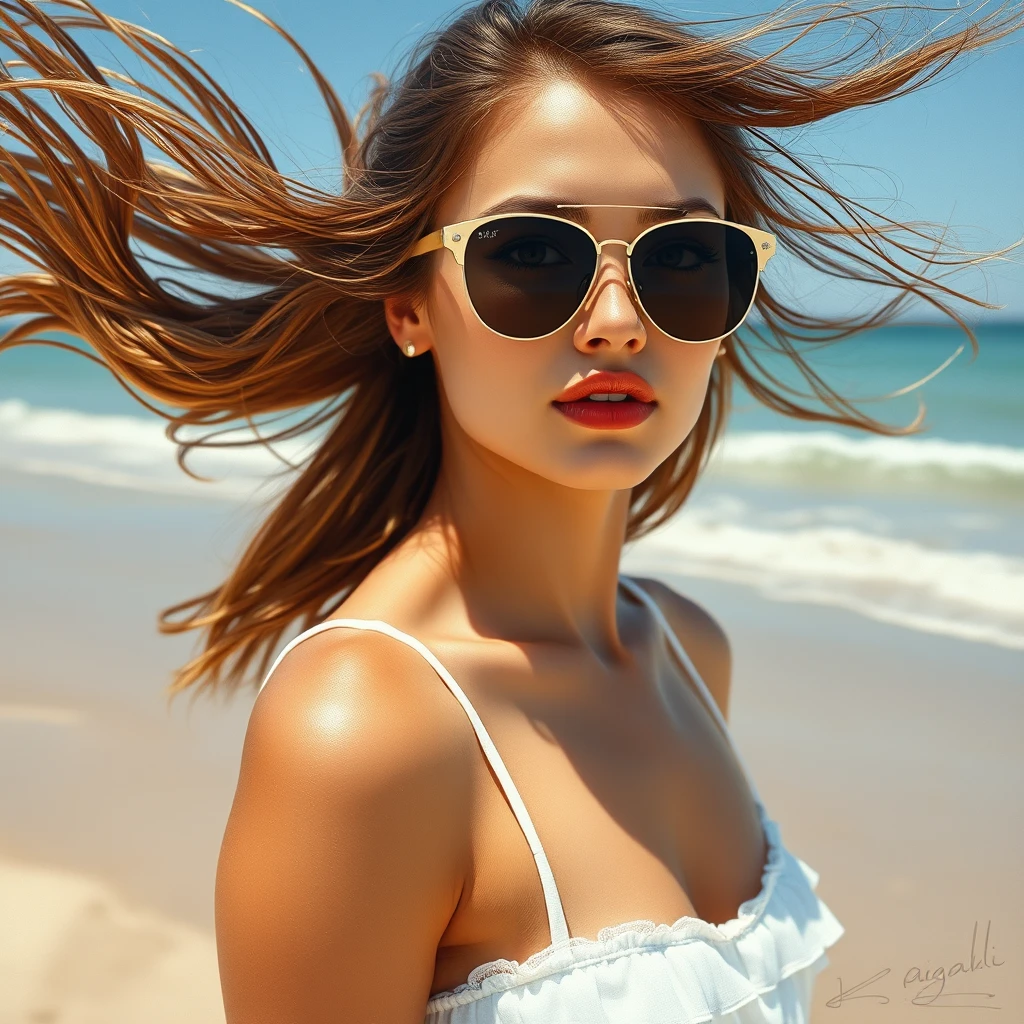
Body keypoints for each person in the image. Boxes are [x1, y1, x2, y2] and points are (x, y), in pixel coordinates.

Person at [0, 0, 1019, 1021]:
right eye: (532, 255)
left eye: (681, 259)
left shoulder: (687, 652)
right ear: (408, 304)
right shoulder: (364, 727)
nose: (619, 322)